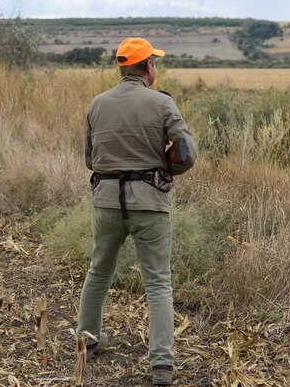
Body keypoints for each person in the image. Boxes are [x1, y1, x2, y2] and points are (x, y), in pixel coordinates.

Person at [76, 37, 197, 386]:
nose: (154, 68)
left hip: (107, 202)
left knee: (99, 271)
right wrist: (166, 171)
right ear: (148, 68)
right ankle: (161, 364)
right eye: (154, 63)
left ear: (122, 68)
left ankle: (86, 340)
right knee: (158, 282)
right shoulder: (161, 104)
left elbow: (89, 159)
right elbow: (187, 153)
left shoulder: (97, 104)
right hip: (150, 204)